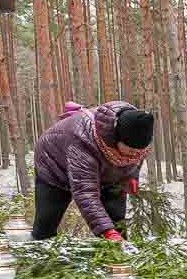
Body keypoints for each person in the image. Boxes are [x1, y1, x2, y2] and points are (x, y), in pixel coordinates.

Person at [33, 101, 153, 242]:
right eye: (131, 151)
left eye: (139, 152)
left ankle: (118, 257)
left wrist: (132, 175)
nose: (134, 156)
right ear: (116, 137)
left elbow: (137, 156)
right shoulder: (82, 140)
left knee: (116, 222)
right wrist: (106, 232)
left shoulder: (140, 126)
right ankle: (40, 254)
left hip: (107, 170)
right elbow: (85, 193)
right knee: (46, 224)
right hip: (54, 168)